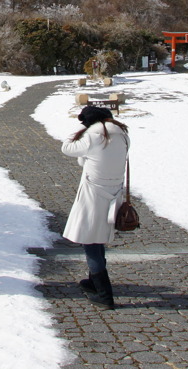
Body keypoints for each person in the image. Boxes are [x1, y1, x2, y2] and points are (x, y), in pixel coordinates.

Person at [61, 105, 130, 309]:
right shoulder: (123, 135)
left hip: (93, 194)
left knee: (90, 241)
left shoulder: (93, 136)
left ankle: (103, 294)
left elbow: (66, 148)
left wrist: (79, 133)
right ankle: (92, 282)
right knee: (98, 238)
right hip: (114, 193)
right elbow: (94, 160)